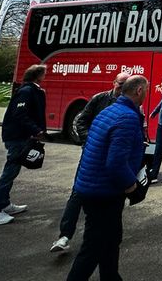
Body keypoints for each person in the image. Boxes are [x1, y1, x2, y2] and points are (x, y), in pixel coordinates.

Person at [66, 75, 149, 281]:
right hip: (104, 192)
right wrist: (133, 188)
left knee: (111, 240)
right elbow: (116, 163)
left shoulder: (109, 112)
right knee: (93, 248)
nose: (147, 93)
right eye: (146, 89)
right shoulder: (127, 118)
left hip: (91, 186)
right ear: (139, 91)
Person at [50, 72, 130, 252]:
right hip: (92, 155)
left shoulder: (128, 104)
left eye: (126, 85)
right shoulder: (99, 99)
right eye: (120, 83)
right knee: (78, 192)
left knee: (111, 197)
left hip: (112, 158)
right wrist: (89, 140)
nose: (122, 87)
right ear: (114, 82)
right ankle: (64, 235)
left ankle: (106, 236)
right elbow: (81, 122)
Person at [0, 64, 47, 226]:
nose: (45, 76)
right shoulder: (27, 91)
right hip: (17, 137)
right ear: (37, 76)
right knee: (9, 173)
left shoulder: (31, 90)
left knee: (12, 171)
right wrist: (36, 130)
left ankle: (4, 204)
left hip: (19, 136)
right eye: (43, 74)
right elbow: (20, 114)